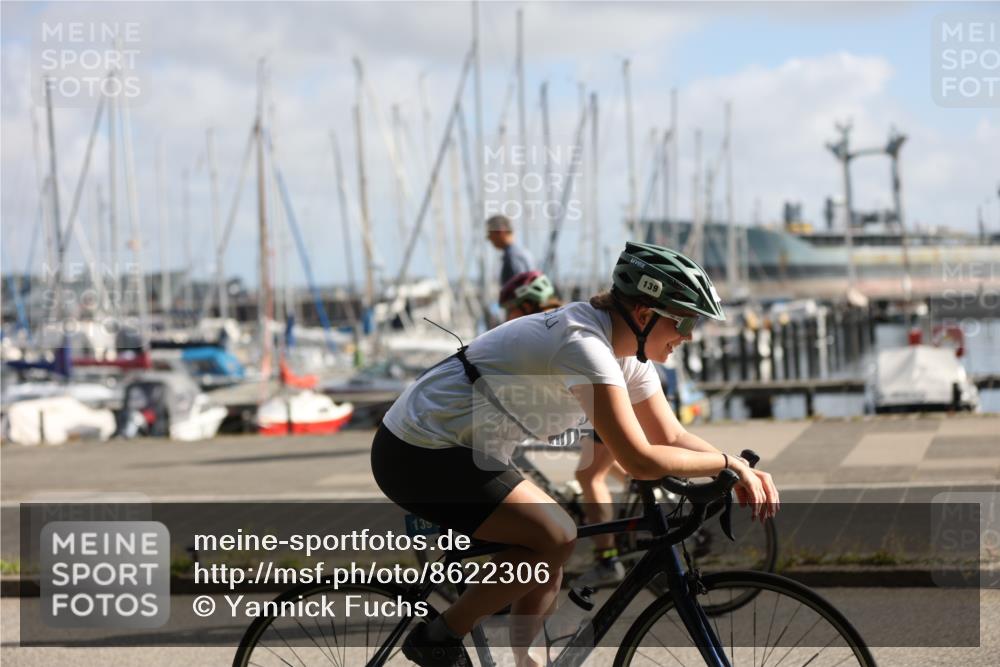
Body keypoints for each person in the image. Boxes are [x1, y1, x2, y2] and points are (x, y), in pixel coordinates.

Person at [371, 241, 779, 667]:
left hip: (469, 449)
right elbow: (640, 459)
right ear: (644, 315)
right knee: (556, 534)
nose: (688, 337)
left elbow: (672, 435)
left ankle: (525, 662)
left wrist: (736, 469)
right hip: (417, 448)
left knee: (550, 552)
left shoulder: (628, 357)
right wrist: (727, 464)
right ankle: (438, 637)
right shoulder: (584, 345)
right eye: (685, 322)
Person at [500, 270, 630, 587]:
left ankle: (607, 559)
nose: (506, 317)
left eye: (510, 310)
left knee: (589, 474)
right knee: (615, 468)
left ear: (527, 305)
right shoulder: (551, 320)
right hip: (607, 396)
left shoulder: (546, 325)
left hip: (614, 396)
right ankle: (644, 493)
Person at [487, 214, 535, 286]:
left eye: (490, 233)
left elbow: (521, 290)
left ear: (500, 231)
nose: (488, 238)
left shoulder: (512, 256)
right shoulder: (520, 252)